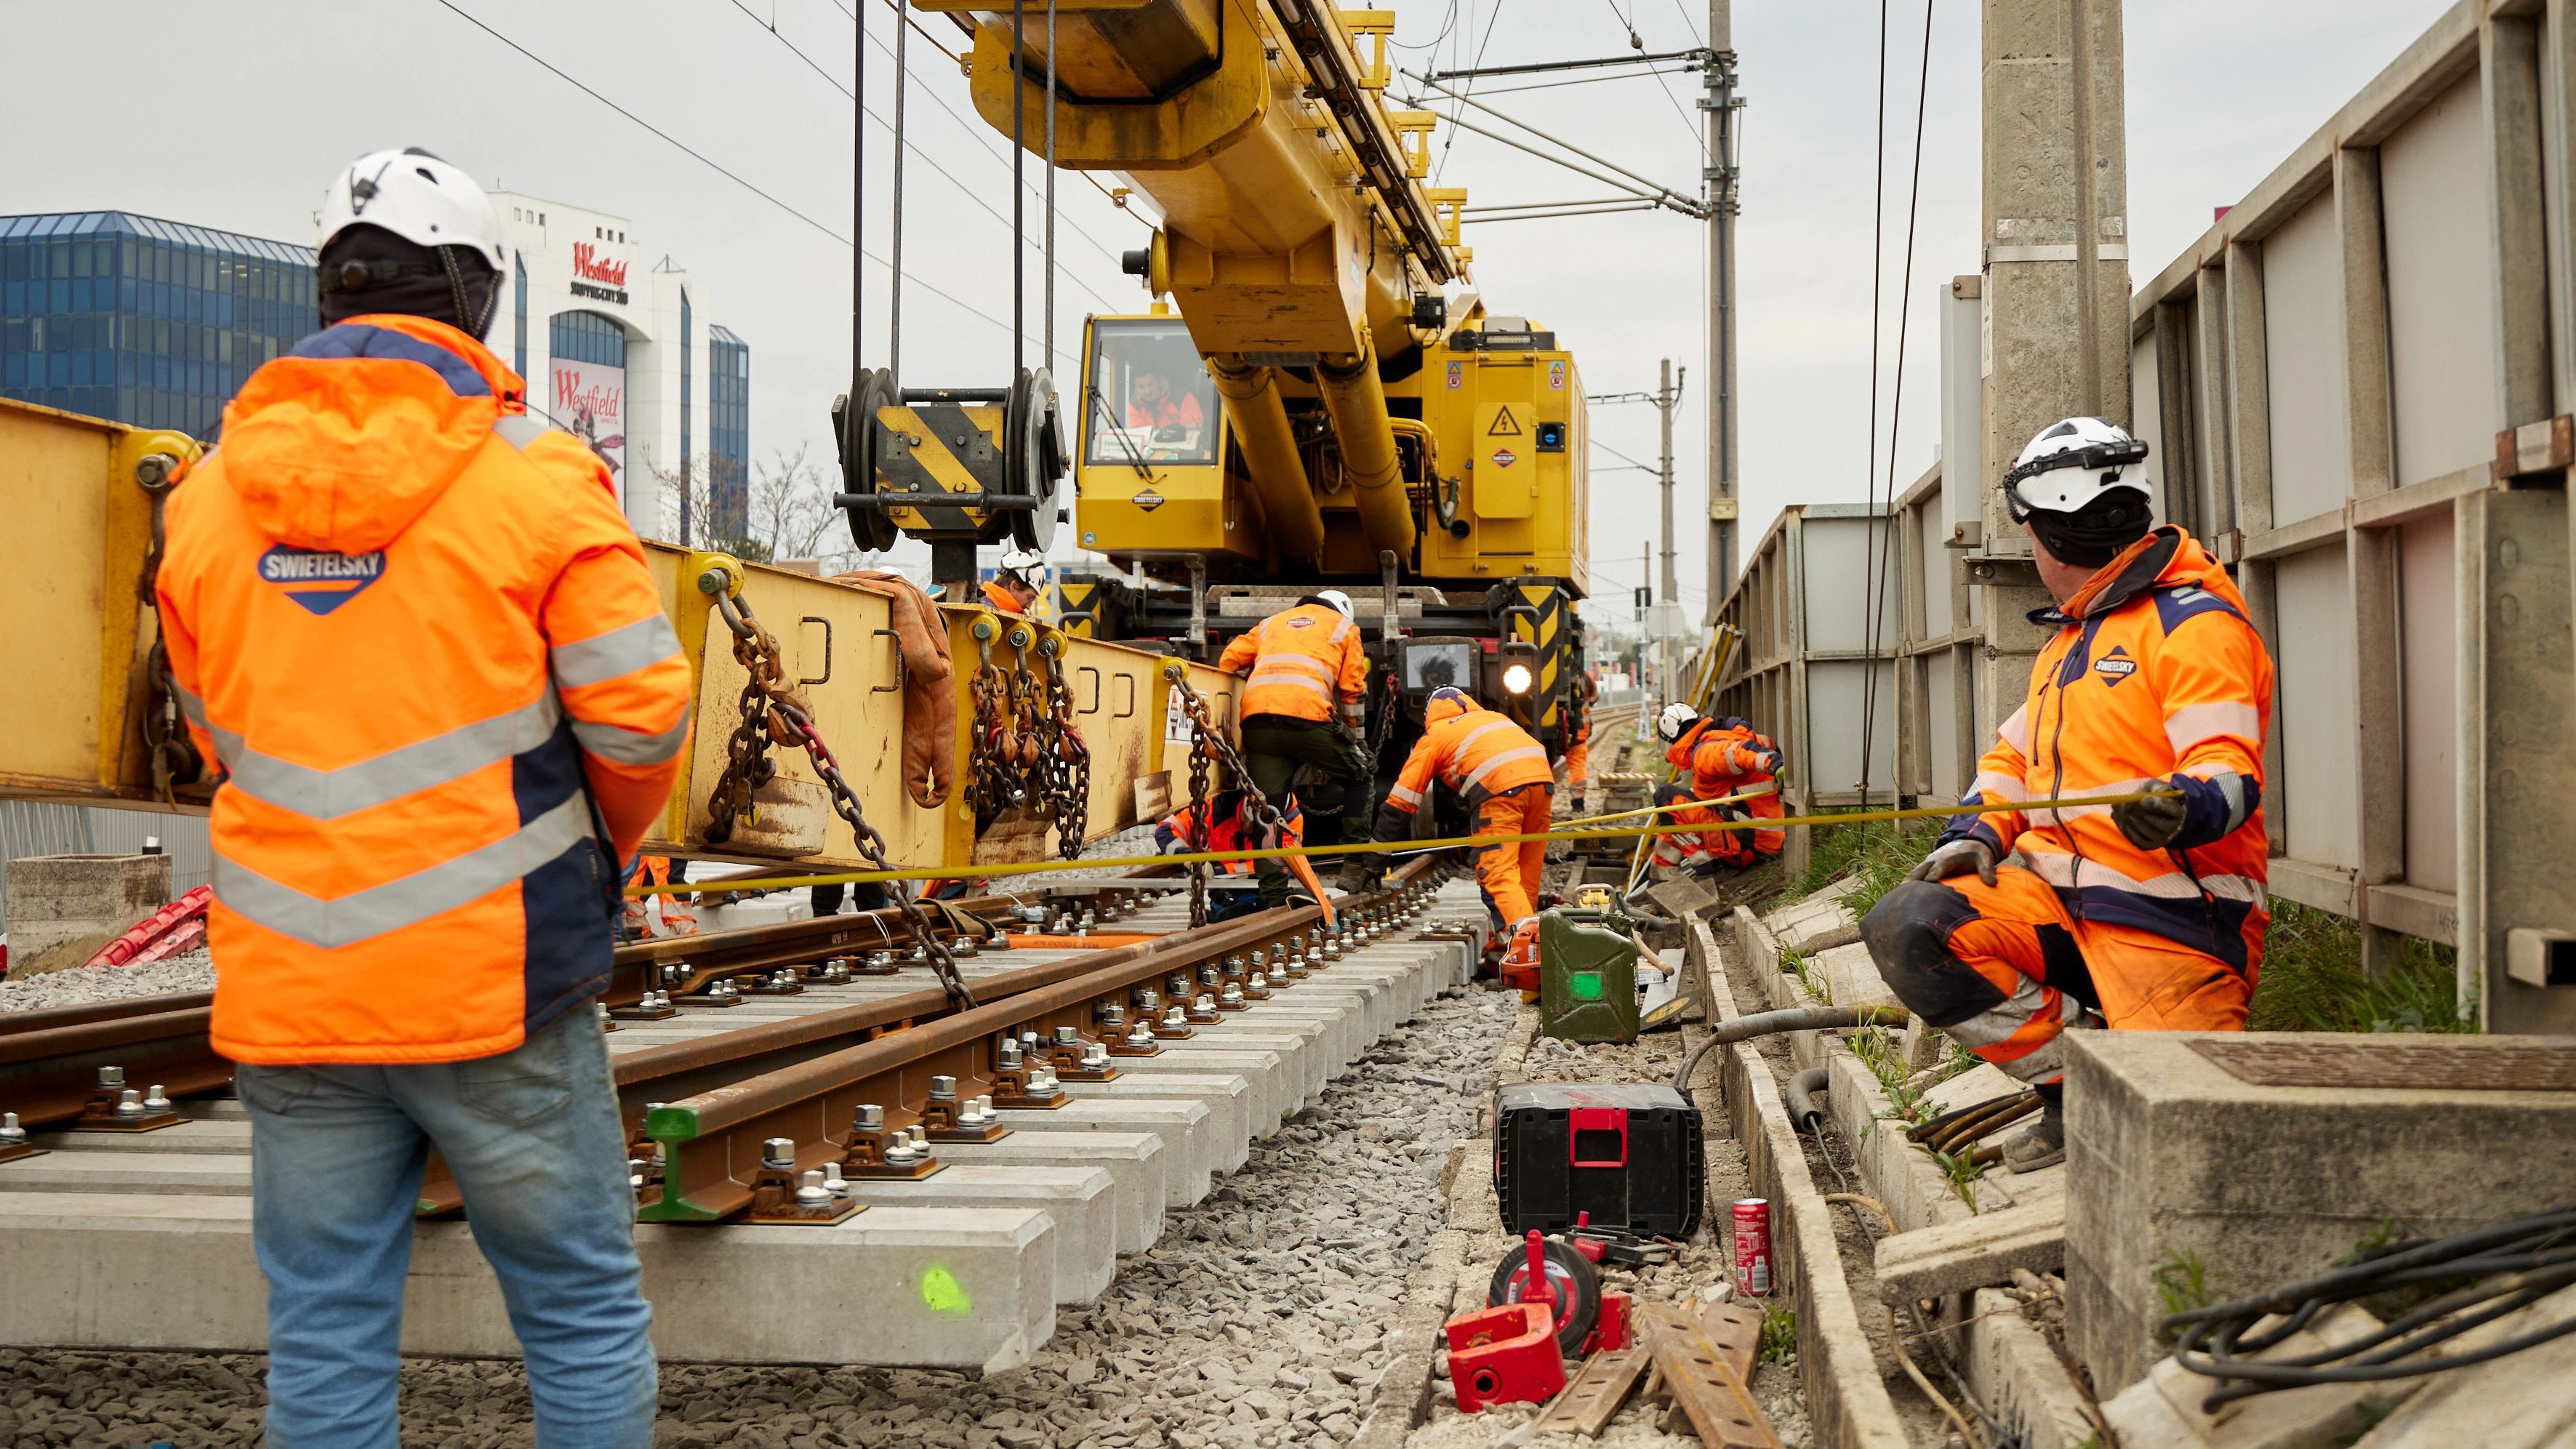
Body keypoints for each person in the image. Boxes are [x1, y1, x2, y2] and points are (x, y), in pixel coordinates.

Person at [153, 148, 688, 1448]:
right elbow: (640, 715)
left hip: (293, 987)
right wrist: (592, 854)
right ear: (477, 298)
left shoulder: (211, 494)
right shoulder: (536, 478)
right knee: (574, 1307)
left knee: (326, 1323)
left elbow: (213, 726)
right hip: (493, 982)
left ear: (333, 289)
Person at [1861, 416, 2274, 1173]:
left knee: (2179, 1150)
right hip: (2060, 909)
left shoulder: (2194, 627)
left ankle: (2112, 1076)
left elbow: (2227, 769)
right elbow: (2014, 757)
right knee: (1911, 924)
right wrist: (1975, 836)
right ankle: (2074, 1088)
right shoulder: (2072, 642)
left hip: (2170, 930)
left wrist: (2183, 807)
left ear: (2048, 535)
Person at [1356, 686, 1554, 931]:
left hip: (1501, 789)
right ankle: (1518, 943)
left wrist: (1375, 859)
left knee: (1497, 873)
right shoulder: (1494, 717)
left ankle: (1526, 949)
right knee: (1526, 868)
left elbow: (1401, 801)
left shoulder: (1435, 735)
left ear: (1430, 714)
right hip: (1543, 783)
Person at [1216, 592, 1376, 896]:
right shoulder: (1344, 627)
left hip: (1258, 724)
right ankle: (1355, 865)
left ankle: (1273, 895)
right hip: (1309, 721)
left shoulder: (1270, 624)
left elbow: (1229, 660)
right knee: (1361, 775)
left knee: (1268, 809)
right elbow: (1353, 690)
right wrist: (1358, 742)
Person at [1656, 706, 1786, 872]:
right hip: (1771, 835)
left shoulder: (1704, 753)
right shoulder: (1731, 735)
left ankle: (1706, 866)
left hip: (1750, 847)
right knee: (1679, 814)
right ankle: (1660, 879)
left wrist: (1773, 763)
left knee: (1666, 797)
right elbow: (1765, 745)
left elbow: (1737, 754)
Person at [1155, 787, 1327, 910]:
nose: (1247, 828)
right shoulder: (1215, 810)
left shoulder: (1290, 821)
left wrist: (1218, 870)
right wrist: (1190, 859)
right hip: (1225, 892)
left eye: (1255, 827)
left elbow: (1280, 865)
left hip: (1264, 888)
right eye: (1246, 821)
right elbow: (1166, 830)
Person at [622, 856, 697, 940]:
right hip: (645, 846)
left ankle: (684, 935)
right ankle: (637, 934)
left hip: (667, 846)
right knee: (633, 890)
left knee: (668, 883)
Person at [1561, 666, 1600, 814]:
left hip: (1554, 728)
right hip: (1578, 732)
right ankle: (1578, 805)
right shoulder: (1585, 676)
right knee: (1577, 767)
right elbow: (1595, 698)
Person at [1126, 369, 1205, 430]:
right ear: (1136, 388)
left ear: (1160, 382)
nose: (1147, 391)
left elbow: (1193, 434)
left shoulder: (1182, 398)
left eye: (1151, 384)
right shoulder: (1134, 406)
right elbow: (1138, 439)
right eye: (1141, 387)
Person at [975, 548, 1043, 613]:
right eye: (1029, 598)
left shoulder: (983, 605)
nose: (1029, 606)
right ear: (1014, 586)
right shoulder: (986, 612)